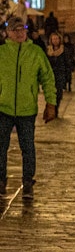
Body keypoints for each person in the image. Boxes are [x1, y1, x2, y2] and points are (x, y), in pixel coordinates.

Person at [0, 16, 57, 198]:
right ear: (7, 33)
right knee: (1, 147)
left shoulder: (35, 52)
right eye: (15, 30)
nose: (19, 33)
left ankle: (27, 182)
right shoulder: (1, 52)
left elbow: (47, 78)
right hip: (3, 107)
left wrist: (51, 103)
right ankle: (1, 181)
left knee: (28, 147)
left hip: (27, 109)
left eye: (22, 30)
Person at [46, 32, 69, 117]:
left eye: (56, 39)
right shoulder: (48, 50)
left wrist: (67, 76)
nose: (55, 41)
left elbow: (67, 63)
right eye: (53, 39)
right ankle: (51, 109)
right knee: (50, 93)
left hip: (60, 74)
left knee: (58, 93)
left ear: (59, 40)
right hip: (50, 75)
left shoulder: (64, 50)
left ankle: (56, 108)